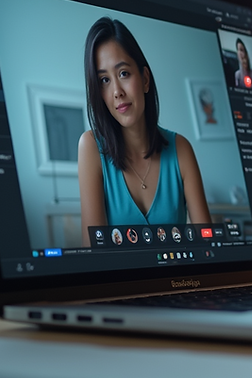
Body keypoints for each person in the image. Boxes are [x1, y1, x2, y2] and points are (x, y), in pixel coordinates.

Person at [78, 17, 211, 246]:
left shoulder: (181, 150)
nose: (117, 92)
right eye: (104, 80)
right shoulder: (90, 147)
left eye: (123, 74)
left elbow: (208, 245)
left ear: (145, 79)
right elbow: (94, 255)